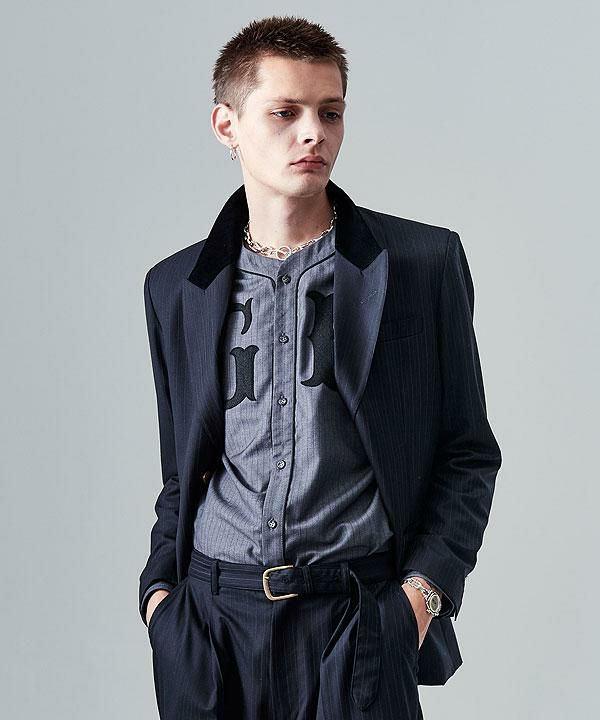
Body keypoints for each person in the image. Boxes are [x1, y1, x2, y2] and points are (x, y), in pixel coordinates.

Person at [138, 14, 502, 720]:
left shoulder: (420, 265)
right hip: (211, 627)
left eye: (330, 113)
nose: (314, 133)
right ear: (226, 125)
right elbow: (181, 471)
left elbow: (468, 452)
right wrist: (160, 599)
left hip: (358, 620)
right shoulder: (176, 287)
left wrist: (420, 598)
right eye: (286, 113)